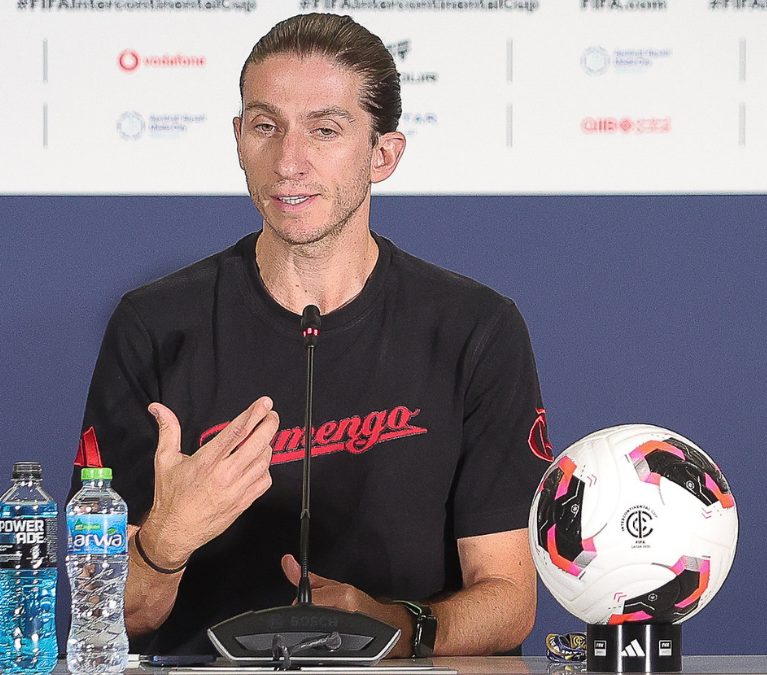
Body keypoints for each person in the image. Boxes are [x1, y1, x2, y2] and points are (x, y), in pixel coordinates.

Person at [68, 12, 553, 658]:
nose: (288, 161)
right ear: (238, 138)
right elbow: (101, 619)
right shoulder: (153, 326)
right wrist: (164, 539)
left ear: (383, 154)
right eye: (266, 126)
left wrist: (395, 625)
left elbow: (509, 599)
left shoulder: (476, 329)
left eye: (325, 130)